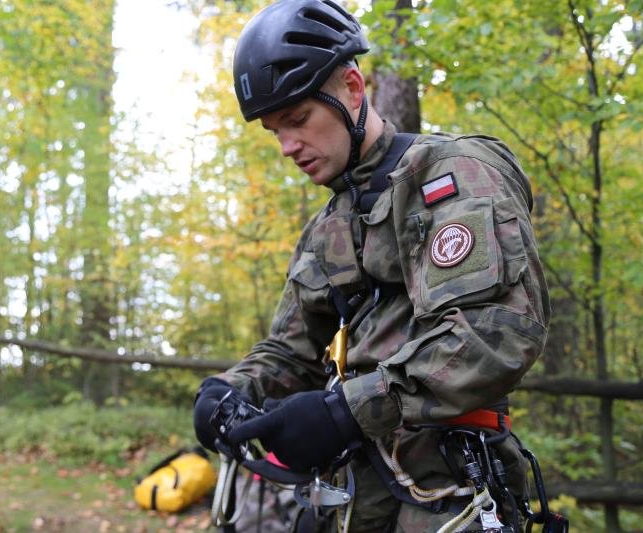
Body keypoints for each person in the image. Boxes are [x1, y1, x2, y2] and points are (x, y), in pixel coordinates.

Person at [194, 0, 550, 531]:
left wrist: (347, 411)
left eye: (298, 119)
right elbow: (293, 351)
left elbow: (495, 335)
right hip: (351, 499)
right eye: (275, 132)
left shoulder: (453, 177)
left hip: (448, 494)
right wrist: (235, 389)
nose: (289, 146)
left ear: (353, 89)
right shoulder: (327, 228)